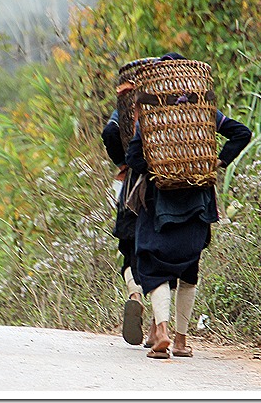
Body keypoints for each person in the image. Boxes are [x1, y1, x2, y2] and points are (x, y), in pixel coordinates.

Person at [125, 52, 252, 359]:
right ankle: (181, 341)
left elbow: (132, 158)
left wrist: (156, 169)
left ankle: (162, 331)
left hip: (160, 203)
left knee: (153, 268)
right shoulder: (204, 112)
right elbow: (241, 133)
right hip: (199, 201)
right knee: (189, 270)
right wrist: (217, 161)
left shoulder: (152, 117)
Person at [101, 109, 146, 346]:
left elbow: (110, 132)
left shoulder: (130, 104)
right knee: (164, 260)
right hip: (175, 189)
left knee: (129, 254)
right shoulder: (181, 100)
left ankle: (135, 295)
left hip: (133, 190)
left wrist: (124, 164)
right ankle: (165, 329)